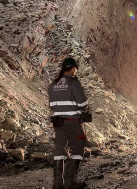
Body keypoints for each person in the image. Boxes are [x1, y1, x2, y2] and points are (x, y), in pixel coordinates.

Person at [49, 57, 88, 189]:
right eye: (75, 69)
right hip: (72, 121)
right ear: (72, 68)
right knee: (78, 147)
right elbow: (82, 103)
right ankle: (69, 182)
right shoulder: (73, 82)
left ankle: (57, 183)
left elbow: (52, 105)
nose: (76, 71)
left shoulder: (54, 83)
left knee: (59, 148)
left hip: (57, 120)